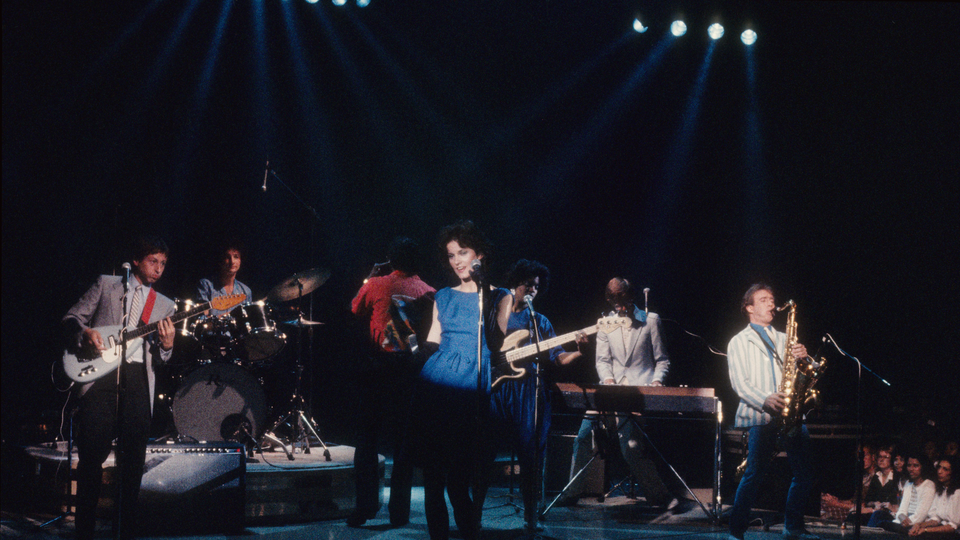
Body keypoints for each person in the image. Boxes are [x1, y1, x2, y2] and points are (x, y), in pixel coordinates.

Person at [62, 237, 176, 540]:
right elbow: (72, 317)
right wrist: (85, 333)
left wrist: (167, 345)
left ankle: (125, 531)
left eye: (163, 263)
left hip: (138, 381)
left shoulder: (165, 305)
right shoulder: (107, 284)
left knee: (132, 464)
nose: (159, 268)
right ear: (137, 261)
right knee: (91, 459)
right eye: (154, 261)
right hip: (100, 379)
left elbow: (163, 358)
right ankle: (84, 531)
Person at [409, 220, 512, 540]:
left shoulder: (500, 296)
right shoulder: (443, 296)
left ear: (479, 254)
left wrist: (485, 295)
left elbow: (497, 343)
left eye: (463, 252)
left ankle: (469, 531)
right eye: (451, 255)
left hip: (472, 385)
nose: (457, 260)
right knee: (433, 478)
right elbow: (431, 343)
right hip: (435, 382)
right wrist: (405, 345)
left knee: (458, 479)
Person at [561, 277, 682, 511]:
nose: (616, 301)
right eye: (611, 297)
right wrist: (608, 381)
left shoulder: (651, 321)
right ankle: (571, 492)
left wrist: (656, 382)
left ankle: (660, 496)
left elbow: (662, 360)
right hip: (609, 389)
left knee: (631, 446)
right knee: (583, 437)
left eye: (620, 295)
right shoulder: (605, 323)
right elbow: (603, 360)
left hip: (639, 392)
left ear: (631, 294)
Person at [483, 259, 586, 531]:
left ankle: (530, 515)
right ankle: (472, 513)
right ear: (515, 283)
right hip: (497, 389)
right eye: (527, 283)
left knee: (531, 454)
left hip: (529, 391)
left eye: (537, 286)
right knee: (485, 450)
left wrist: (579, 350)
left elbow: (558, 357)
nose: (531, 290)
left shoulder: (540, 323)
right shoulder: (497, 313)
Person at [347, 237, 436, 528]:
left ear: (391, 259)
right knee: (403, 445)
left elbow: (355, 309)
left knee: (366, 441)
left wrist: (369, 279)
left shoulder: (376, 284)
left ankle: (364, 508)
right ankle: (399, 513)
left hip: (377, 368)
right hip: (409, 371)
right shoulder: (428, 292)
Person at [726, 283, 816, 540]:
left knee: (804, 473)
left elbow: (805, 373)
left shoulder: (784, 337)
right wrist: (765, 399)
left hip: (791, 413)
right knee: (754, 474)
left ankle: (794, 527)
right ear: (749, 308)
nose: (771, 303)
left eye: (772, 299)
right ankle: (736, 530)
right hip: (762, 414)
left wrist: (805, 357)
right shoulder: (738, 341)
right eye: (764, 299)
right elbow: (739, 382)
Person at [883, 451, 937, 533]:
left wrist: (905, 521)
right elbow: (901, 510)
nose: (911, 469)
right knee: (878, 515)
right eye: (909, 465)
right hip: (903, 522)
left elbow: (920, 516)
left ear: (922, 467)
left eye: (915, 466)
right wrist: (902, 519)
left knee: (883, 524)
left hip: (915, 525)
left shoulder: (928, 485)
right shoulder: (909, 483)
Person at [908, 455, 960, 538]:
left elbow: (952, 527)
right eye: (939, 467)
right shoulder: (940, 490)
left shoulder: (957, 493)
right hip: (941, 530)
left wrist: (925, 530)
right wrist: (919, 525)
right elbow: (935, 519)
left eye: (945, 469)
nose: (939, 471)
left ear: (953, 472)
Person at [197, 241, 252, 316]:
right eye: (227, 257)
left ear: (240, 261)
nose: (232, 261)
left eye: (236, 257)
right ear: (221, 261)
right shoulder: (206, 285)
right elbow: (201, 318)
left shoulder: (246, 291)